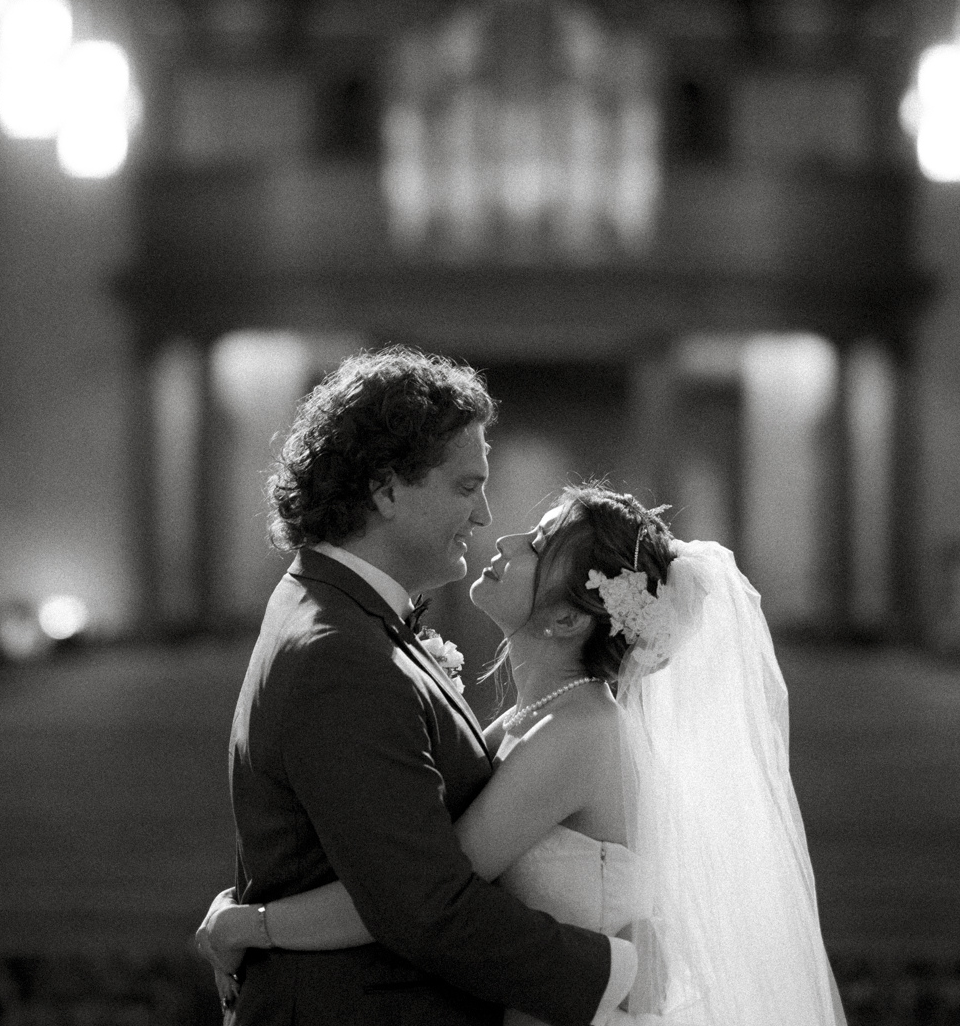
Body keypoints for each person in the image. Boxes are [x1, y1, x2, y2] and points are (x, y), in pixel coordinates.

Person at [201, 472, 848, 1026]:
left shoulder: (581, 734)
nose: (506, 539)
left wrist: (248, 924)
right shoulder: (533, 718)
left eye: (538, 545)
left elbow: (415, 897)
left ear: (567, 620)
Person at [209, 347, 636, 1026]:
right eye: (467, 487)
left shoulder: (342, 616)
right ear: (385, 490)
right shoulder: (341, 656)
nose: (485, 516)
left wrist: (254, 921)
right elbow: (425, 904)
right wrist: (621, 974)